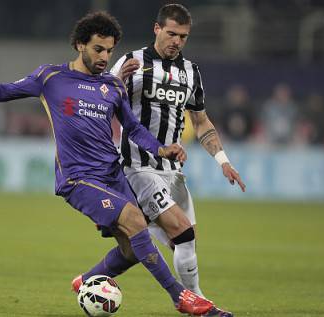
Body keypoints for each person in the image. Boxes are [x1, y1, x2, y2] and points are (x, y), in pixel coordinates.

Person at [0, 11, 217, 316]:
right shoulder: (51, 78)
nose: (105, 56)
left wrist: (162, 150)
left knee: (133, 249)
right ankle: (180, 297)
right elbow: (3, 91)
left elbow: (133, 128)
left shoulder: (113, 87)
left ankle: (89, 279)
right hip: (78, 178)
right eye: (98, 49)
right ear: (80, 45)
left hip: (113, 174)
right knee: (135, 221)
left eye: (109, 50)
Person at [71, 4, 244, 316]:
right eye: (172, 33)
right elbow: (99, 104)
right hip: (137, 166)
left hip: (172, 171)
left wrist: (223, 160)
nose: (177, 41)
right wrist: (119, 83)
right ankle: (199, 305)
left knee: (157, 246)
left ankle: (87, 279)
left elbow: (202, 122)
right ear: (157, 29)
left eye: (183, 36)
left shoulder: (191, 72)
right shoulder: (131, 62)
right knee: (182, 230)